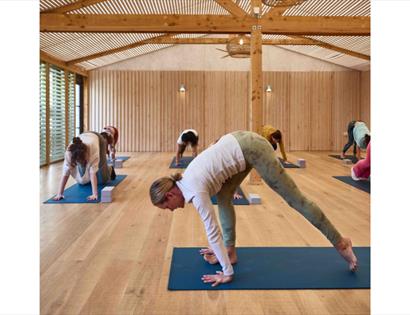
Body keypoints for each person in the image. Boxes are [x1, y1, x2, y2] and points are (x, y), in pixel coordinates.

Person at [150, 131, 358, 287]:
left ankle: (341, 243)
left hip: (253, 147)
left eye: (165, 206)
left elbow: (212, 231)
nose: (170, 210)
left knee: (296, 200)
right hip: (238, 143)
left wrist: (226, 272)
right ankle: (230, 252)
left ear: (169, 195)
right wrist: (222, 251)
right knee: (223, 198)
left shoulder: (194, 190)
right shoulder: (186, 180)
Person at [53, 132, 116, 201]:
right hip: (84, 138)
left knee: (103, 178)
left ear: (86, 154)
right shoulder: (69, 153)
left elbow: (92, 173)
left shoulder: (93, 149)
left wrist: (95, 194)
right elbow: (65, 173)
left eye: (84, 160)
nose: (83, 163)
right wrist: (59, 193)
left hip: (98, 139)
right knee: (82, 181)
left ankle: (110, 169)